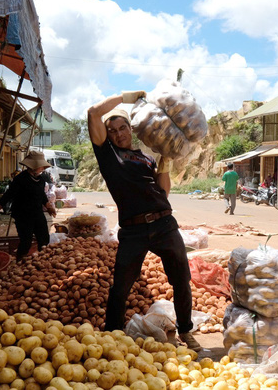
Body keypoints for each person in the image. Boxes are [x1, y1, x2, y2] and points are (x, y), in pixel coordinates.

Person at [86, 91, 202, 352]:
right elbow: (94, 112)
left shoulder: (145, 157)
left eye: (122, 128)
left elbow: (163, 193)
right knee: (121, 287)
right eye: (112, 130)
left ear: (130, 129)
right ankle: (112, 334)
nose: (118, 134)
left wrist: (164, 167)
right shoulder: (107, 154)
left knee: (181, 280)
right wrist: (125, 97)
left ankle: (185, 330)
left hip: (164, 224)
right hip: (133, 230)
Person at [0, 151, 57, 258]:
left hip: (37, 213)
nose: (43, 168)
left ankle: (42, 260)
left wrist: (48, 206)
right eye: (41, 166)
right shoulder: (20, 179)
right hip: (23, 215)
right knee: (26, 241)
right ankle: (19, 261)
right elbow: (8, 195)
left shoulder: (40, 179)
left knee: (44, 239)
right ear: (34, 166)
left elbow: (41, 195)